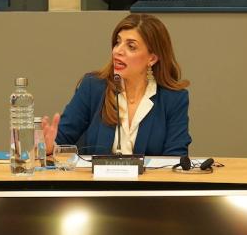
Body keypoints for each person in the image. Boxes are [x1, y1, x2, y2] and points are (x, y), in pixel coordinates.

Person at [42, 14, 190, 157]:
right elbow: (61, 139)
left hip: (150, 176)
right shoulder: (93, 87)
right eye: (118, 42)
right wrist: (49, 146)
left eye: (131, 46)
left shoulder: (173, 99)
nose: (117, 51)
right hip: (97, 175)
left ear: (152, 58)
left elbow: (175, 157)